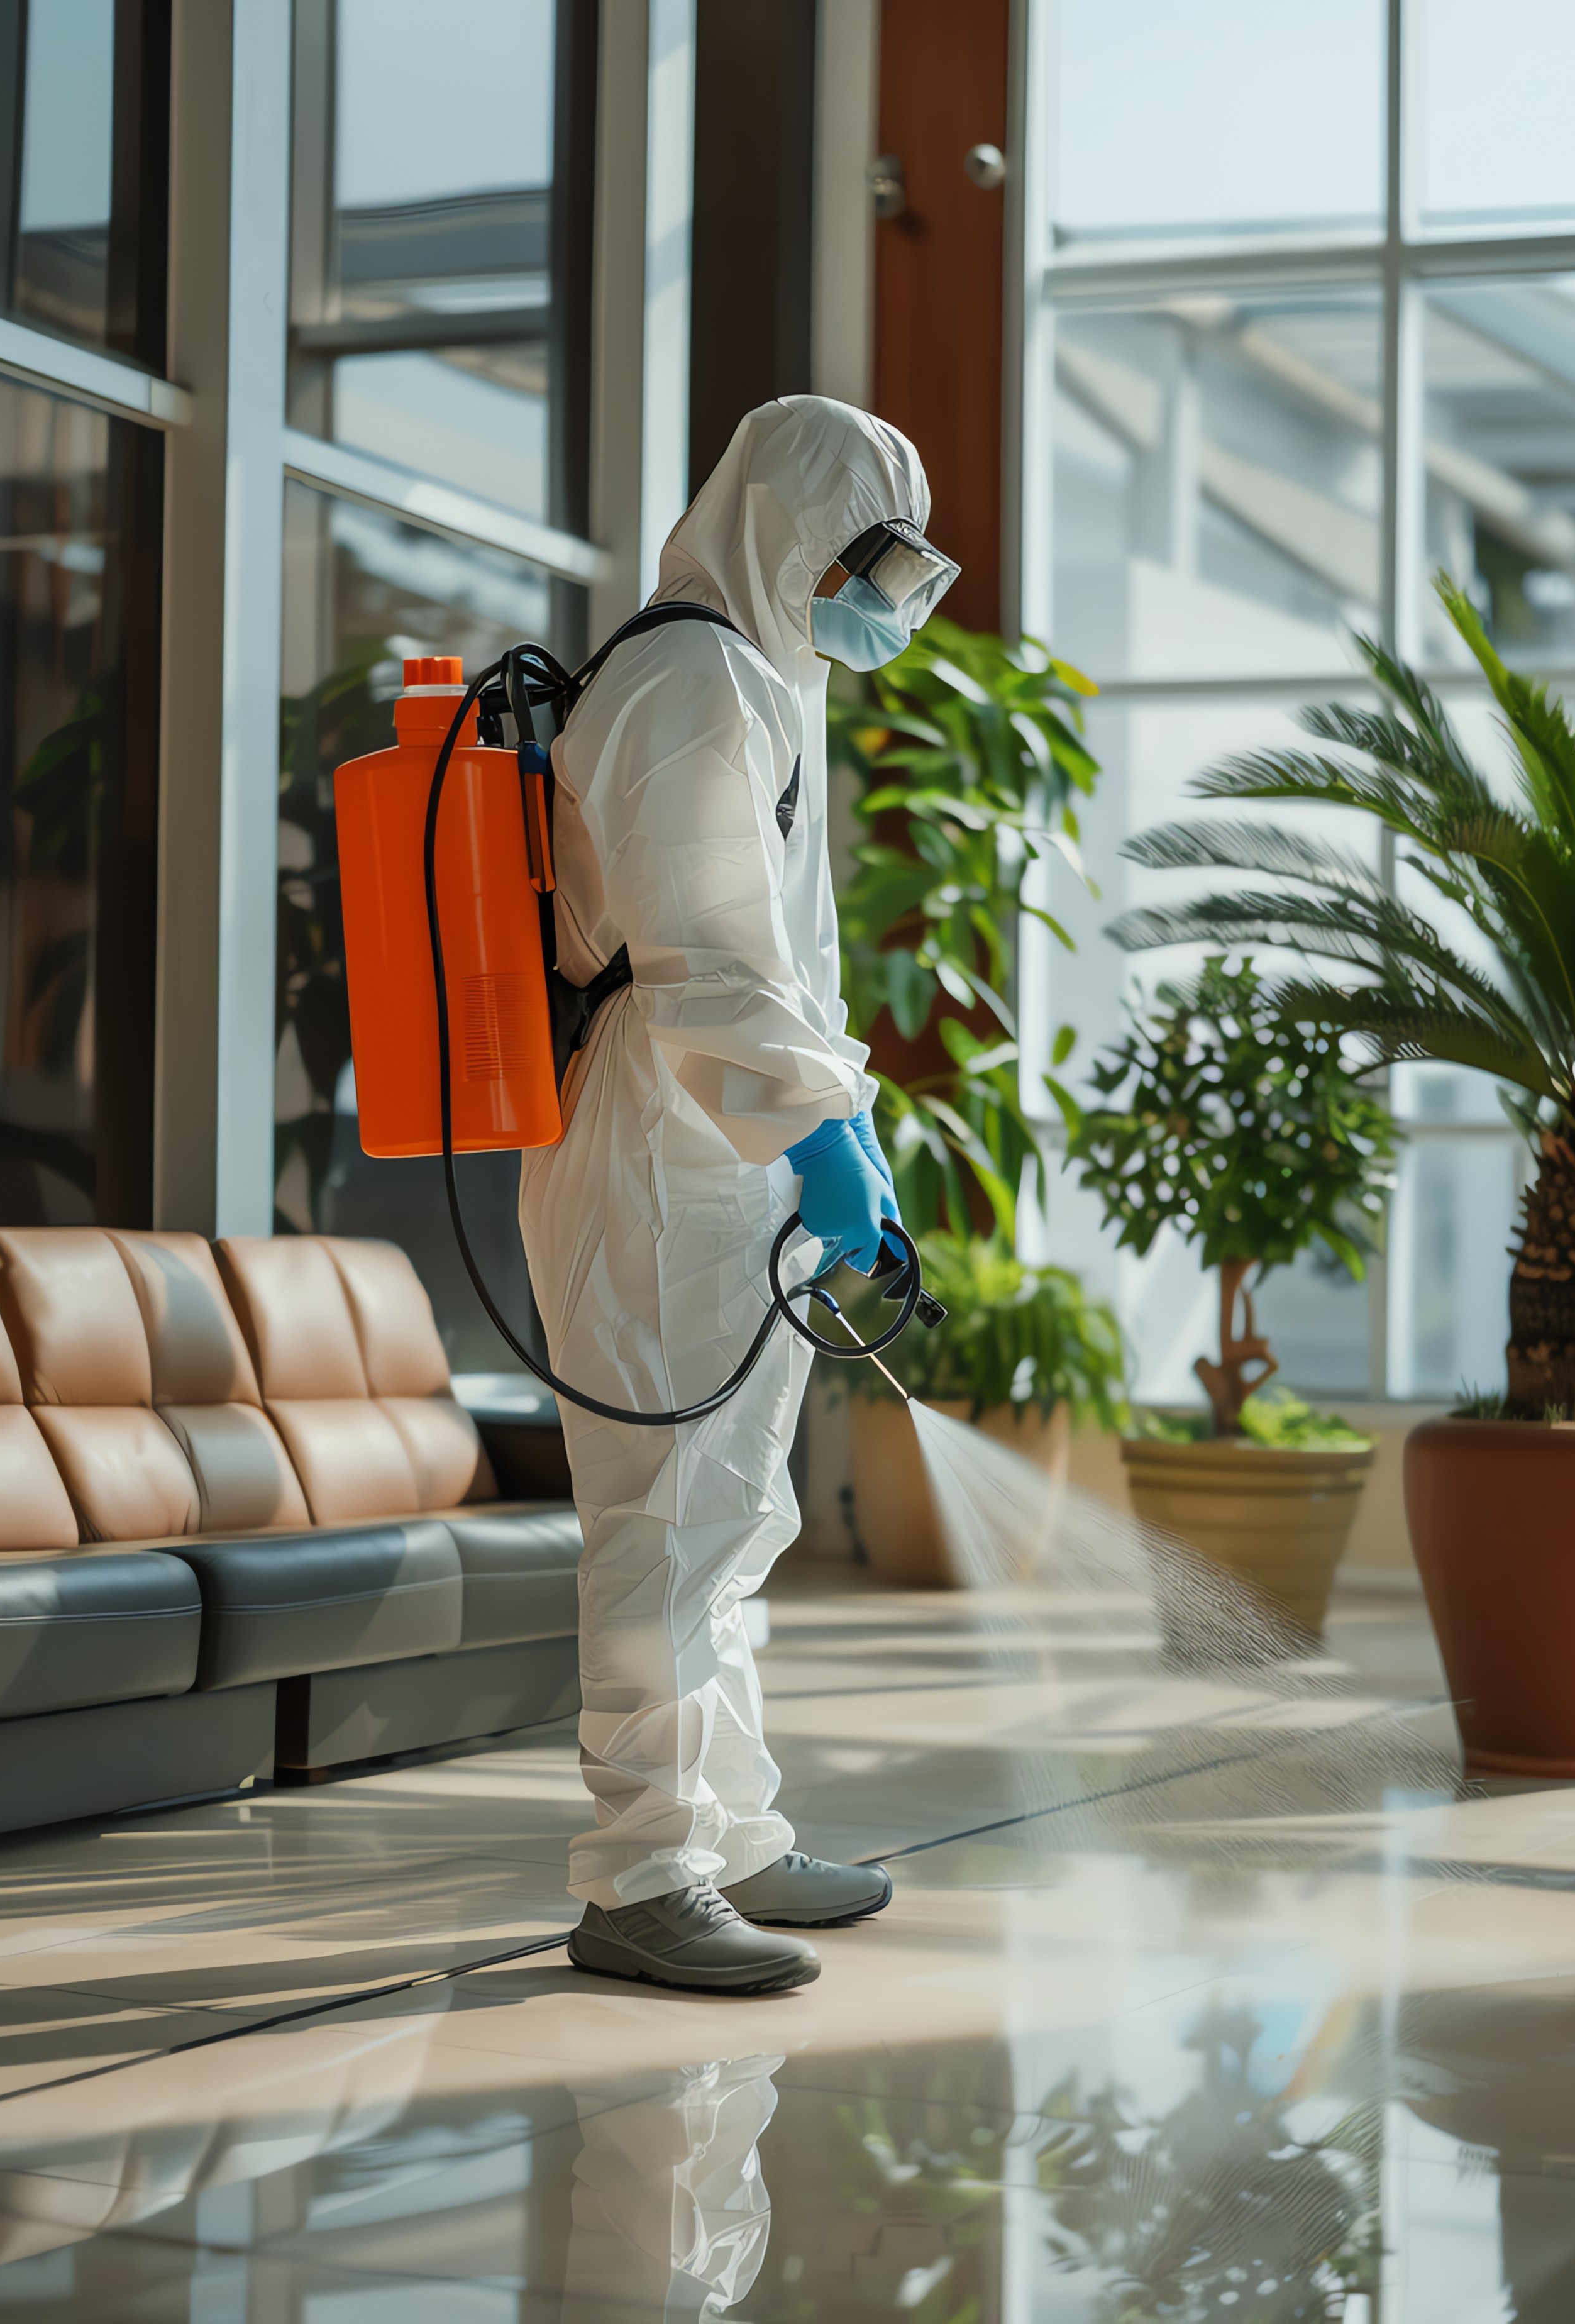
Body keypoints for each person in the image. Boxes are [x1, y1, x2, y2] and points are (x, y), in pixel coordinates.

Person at [520, 396, 959, 1994]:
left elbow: (774, 966)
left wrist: (834, 1129)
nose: (886, 606)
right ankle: (638, 1874)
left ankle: (734, 1838)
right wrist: (817, 1135)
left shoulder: (759, 682)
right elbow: (702, 956)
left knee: (736, 1516)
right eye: (872, 565)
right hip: (650, 1149)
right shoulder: (688, 680)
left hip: (725, 1155)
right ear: (788, 532)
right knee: (661, 1522)